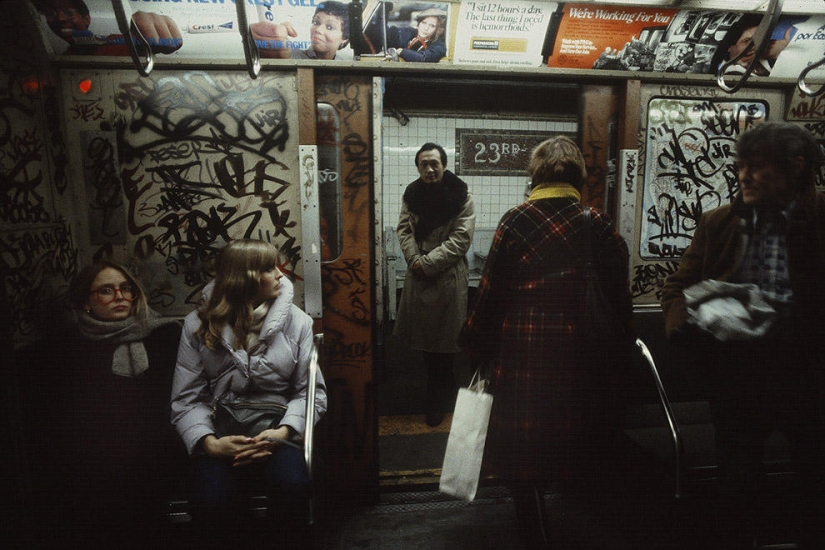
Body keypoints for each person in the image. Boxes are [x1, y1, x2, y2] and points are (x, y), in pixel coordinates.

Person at [459, 136, 633, 548]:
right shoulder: (597, 223)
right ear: (580, 178)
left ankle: (536, 535)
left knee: (524, 459)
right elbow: (619, 296)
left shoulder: (516, 220)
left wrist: (473, 342)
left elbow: (490, 294)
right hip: (583, 359)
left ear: (534, 175)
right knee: (576, 446)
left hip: (524, 355)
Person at [661, 122, 825, 549]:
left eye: (757, 167)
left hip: (807, 371)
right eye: (741, 166)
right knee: (737, 481)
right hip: (738, 371)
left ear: (795, 169)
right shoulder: (721, 223)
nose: (744, 176)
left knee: (815, 477)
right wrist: (687, 326)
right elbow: (676, 287)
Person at [170, 239, 327, 548]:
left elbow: (311, 393)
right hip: (219, 430)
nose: (281, 275)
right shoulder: (198, 326)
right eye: (269, 268)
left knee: (292, 487)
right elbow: (187, 398)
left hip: (278, 428)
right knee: (210, 501)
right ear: (244, 278)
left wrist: (282, 432)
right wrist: (210, 443)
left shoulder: (297, 322)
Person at [17, 260, 183, 547]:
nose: (120, 296)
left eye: (125, 288)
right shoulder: (65, 348)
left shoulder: (165, 335)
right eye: (106, 290)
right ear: (86, 302)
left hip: (154, 446)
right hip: (96, 456)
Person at [394, 143, 475, 426]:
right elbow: (403, 229)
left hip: (448, 276)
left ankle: (441, 396)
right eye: (423, 164)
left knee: (446, 341)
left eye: (434, 163)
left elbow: (461, 238)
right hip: (419, 274)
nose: (429, 169)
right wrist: (415, 259)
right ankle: (437, 391)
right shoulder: (412, 195)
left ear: (444, 165)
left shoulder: (461, 195)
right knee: (427, 343)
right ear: (418, 167)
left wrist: (427, 263)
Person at [34, 0, 183, 55]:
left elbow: (141, 46)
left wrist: (143, 34)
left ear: (86, 19)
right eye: (51, 14)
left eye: (68, 12)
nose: (60, 18)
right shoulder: (61, 56)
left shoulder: (113, 44)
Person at [250, 1, 350, 60]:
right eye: (316, 22)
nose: (318, 30)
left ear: (344, 38)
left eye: (330, 27)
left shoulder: (347, 66)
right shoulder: (289, 56)